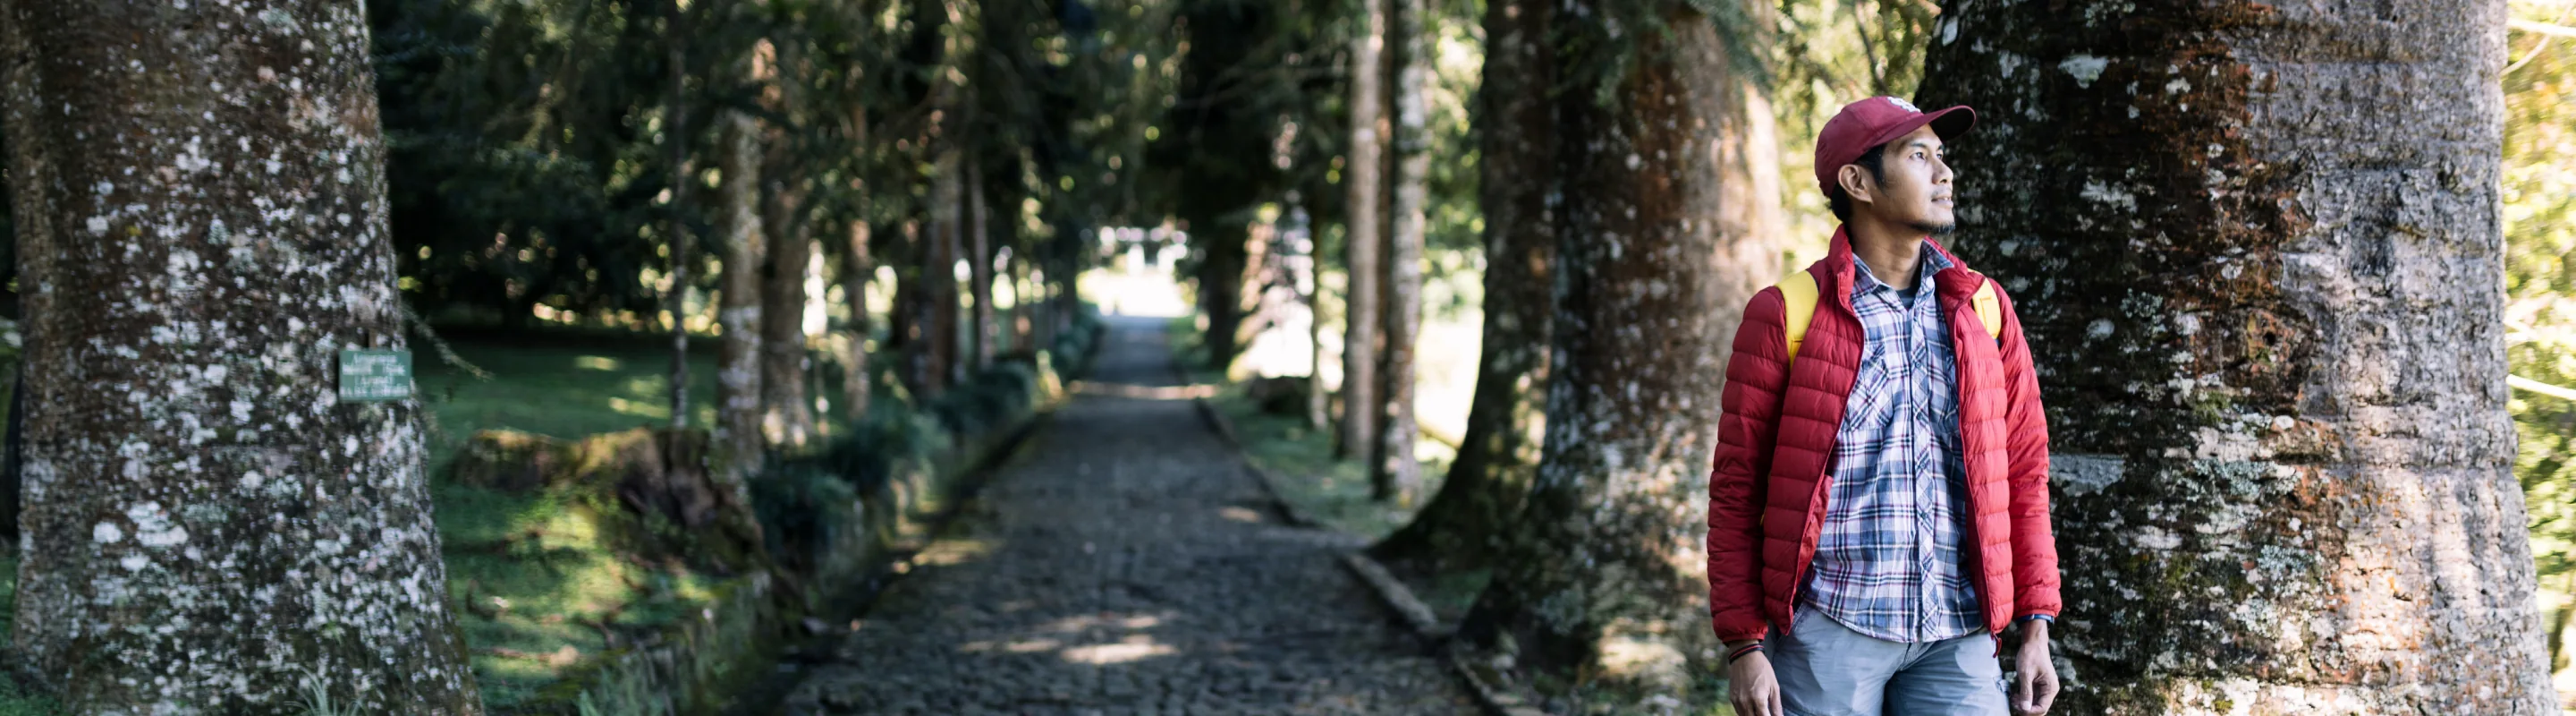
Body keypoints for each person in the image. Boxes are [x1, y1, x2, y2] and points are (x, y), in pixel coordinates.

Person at [1706, 96, 2063, 716]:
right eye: (1918, 155)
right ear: (1857, 181)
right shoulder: (1785, 314)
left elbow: (2024, 476)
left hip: (1959, 635)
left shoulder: (1983, 308)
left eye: (1942, 156)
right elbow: (1738, 488)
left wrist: (2035, 623)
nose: (1944, 173)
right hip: (1829, 634)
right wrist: (1744, 643)